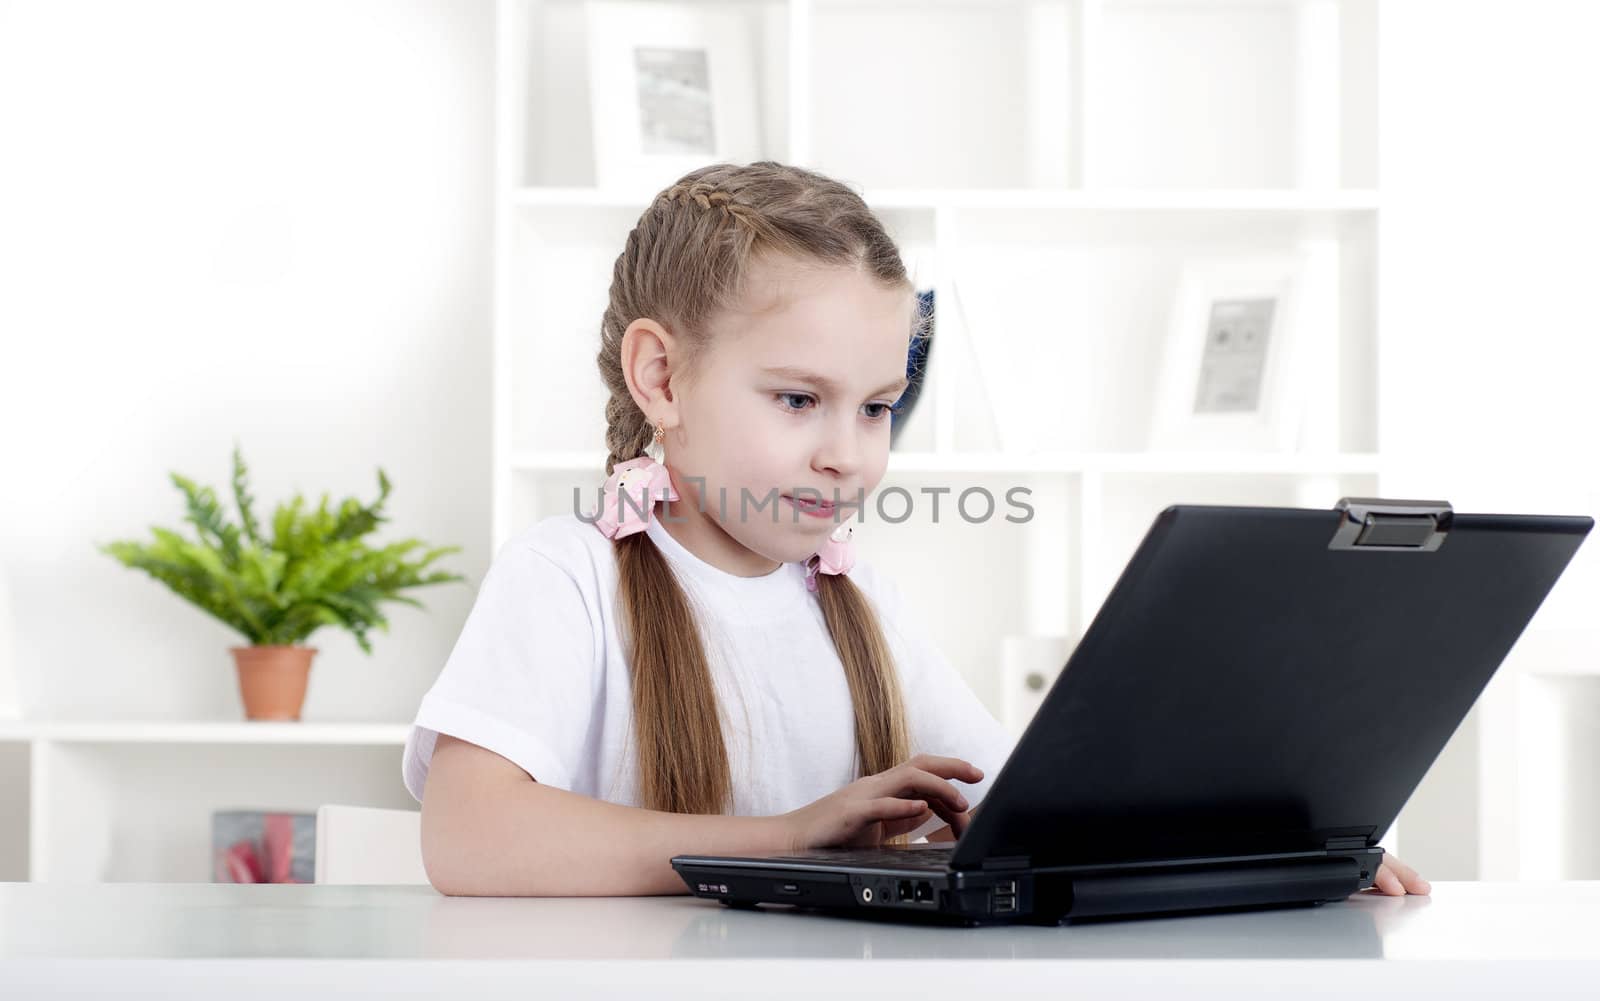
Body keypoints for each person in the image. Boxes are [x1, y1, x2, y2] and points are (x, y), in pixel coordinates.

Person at [401, 161, 1429, 900]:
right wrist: (783, 840)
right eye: (800, 399)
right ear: (661, 376)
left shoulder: (853, 601)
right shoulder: (568, 572)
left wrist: (1269, 847)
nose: (849, 453)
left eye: (877, 405)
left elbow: (1029, 803)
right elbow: (468, 835)